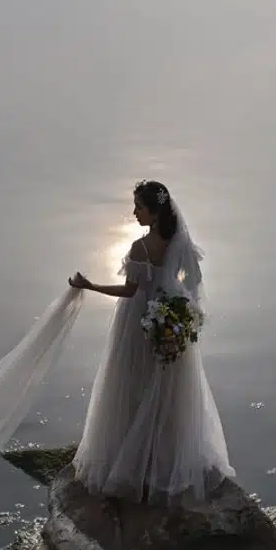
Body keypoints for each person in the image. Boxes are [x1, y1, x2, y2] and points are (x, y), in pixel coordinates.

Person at [67, 180, 233, 504]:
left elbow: (129, 291)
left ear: (154, 212)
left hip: (137, 322)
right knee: (169, 391)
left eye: (139, 208)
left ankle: (132, 462)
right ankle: (163, 458)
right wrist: (179, 309)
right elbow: (194, 282)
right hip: (170, 323)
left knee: (132, 385)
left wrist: (90, 285)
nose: (134, 213)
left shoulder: (139, 248)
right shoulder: (180, 243)